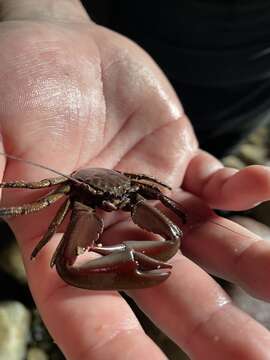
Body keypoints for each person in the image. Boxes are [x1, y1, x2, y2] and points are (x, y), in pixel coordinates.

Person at [0, 1, 270, 359]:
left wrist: (171, 207)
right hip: (84, 183)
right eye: (105, 201)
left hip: (249, 51)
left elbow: (157, 194)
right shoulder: (74, 192)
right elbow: (39, 197)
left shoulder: (129, 188)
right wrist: (44, 11)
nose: (111, 207)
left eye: (118, 200)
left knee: (199, 167)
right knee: (44, 235)